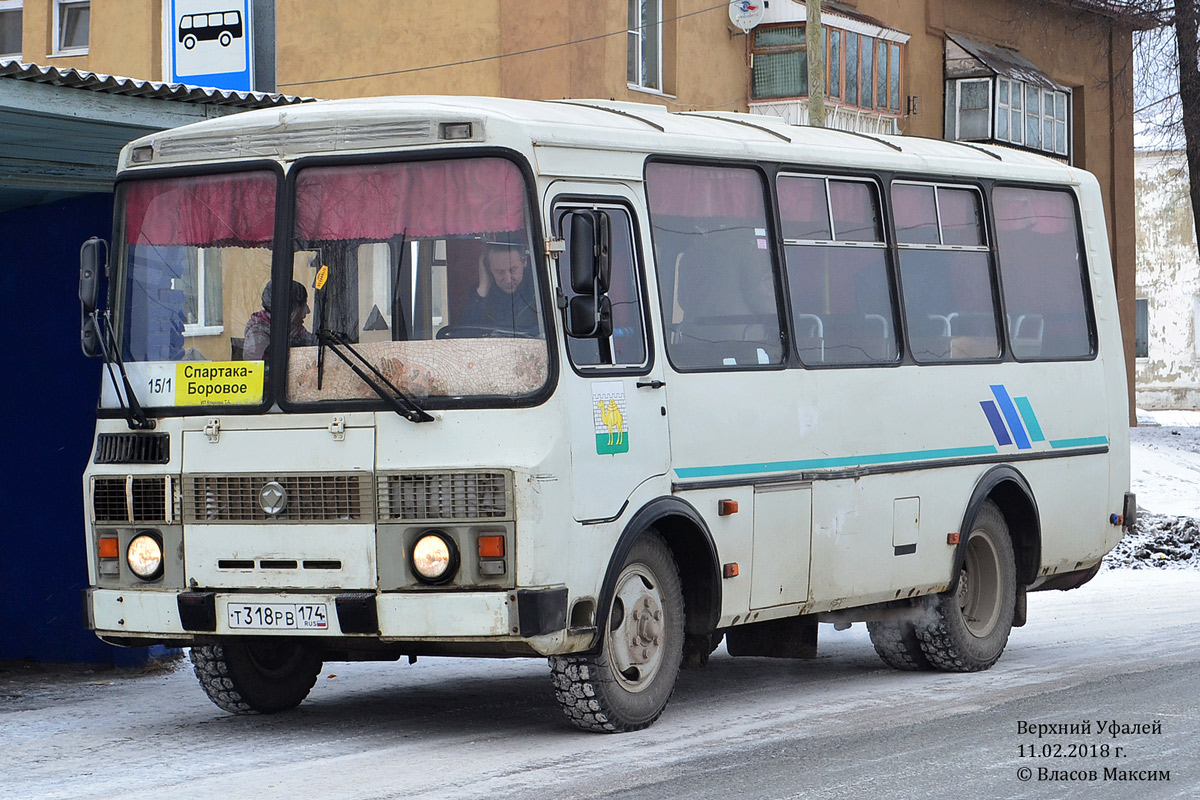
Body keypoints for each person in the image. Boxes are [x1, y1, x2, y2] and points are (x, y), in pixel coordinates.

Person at [461, 234, 540, 335]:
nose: (508, 280)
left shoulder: (540, 289)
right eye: (499, 272)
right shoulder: (481, 295)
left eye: (513, 270)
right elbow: (463, 335)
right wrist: (483, 288)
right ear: (489, 269)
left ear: (524, 262)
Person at [243, 280, 317, 360]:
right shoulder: (257, 337)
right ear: (288, 309)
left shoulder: (294, 331)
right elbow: (266, 369)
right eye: (302, 305)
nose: (308, 310)